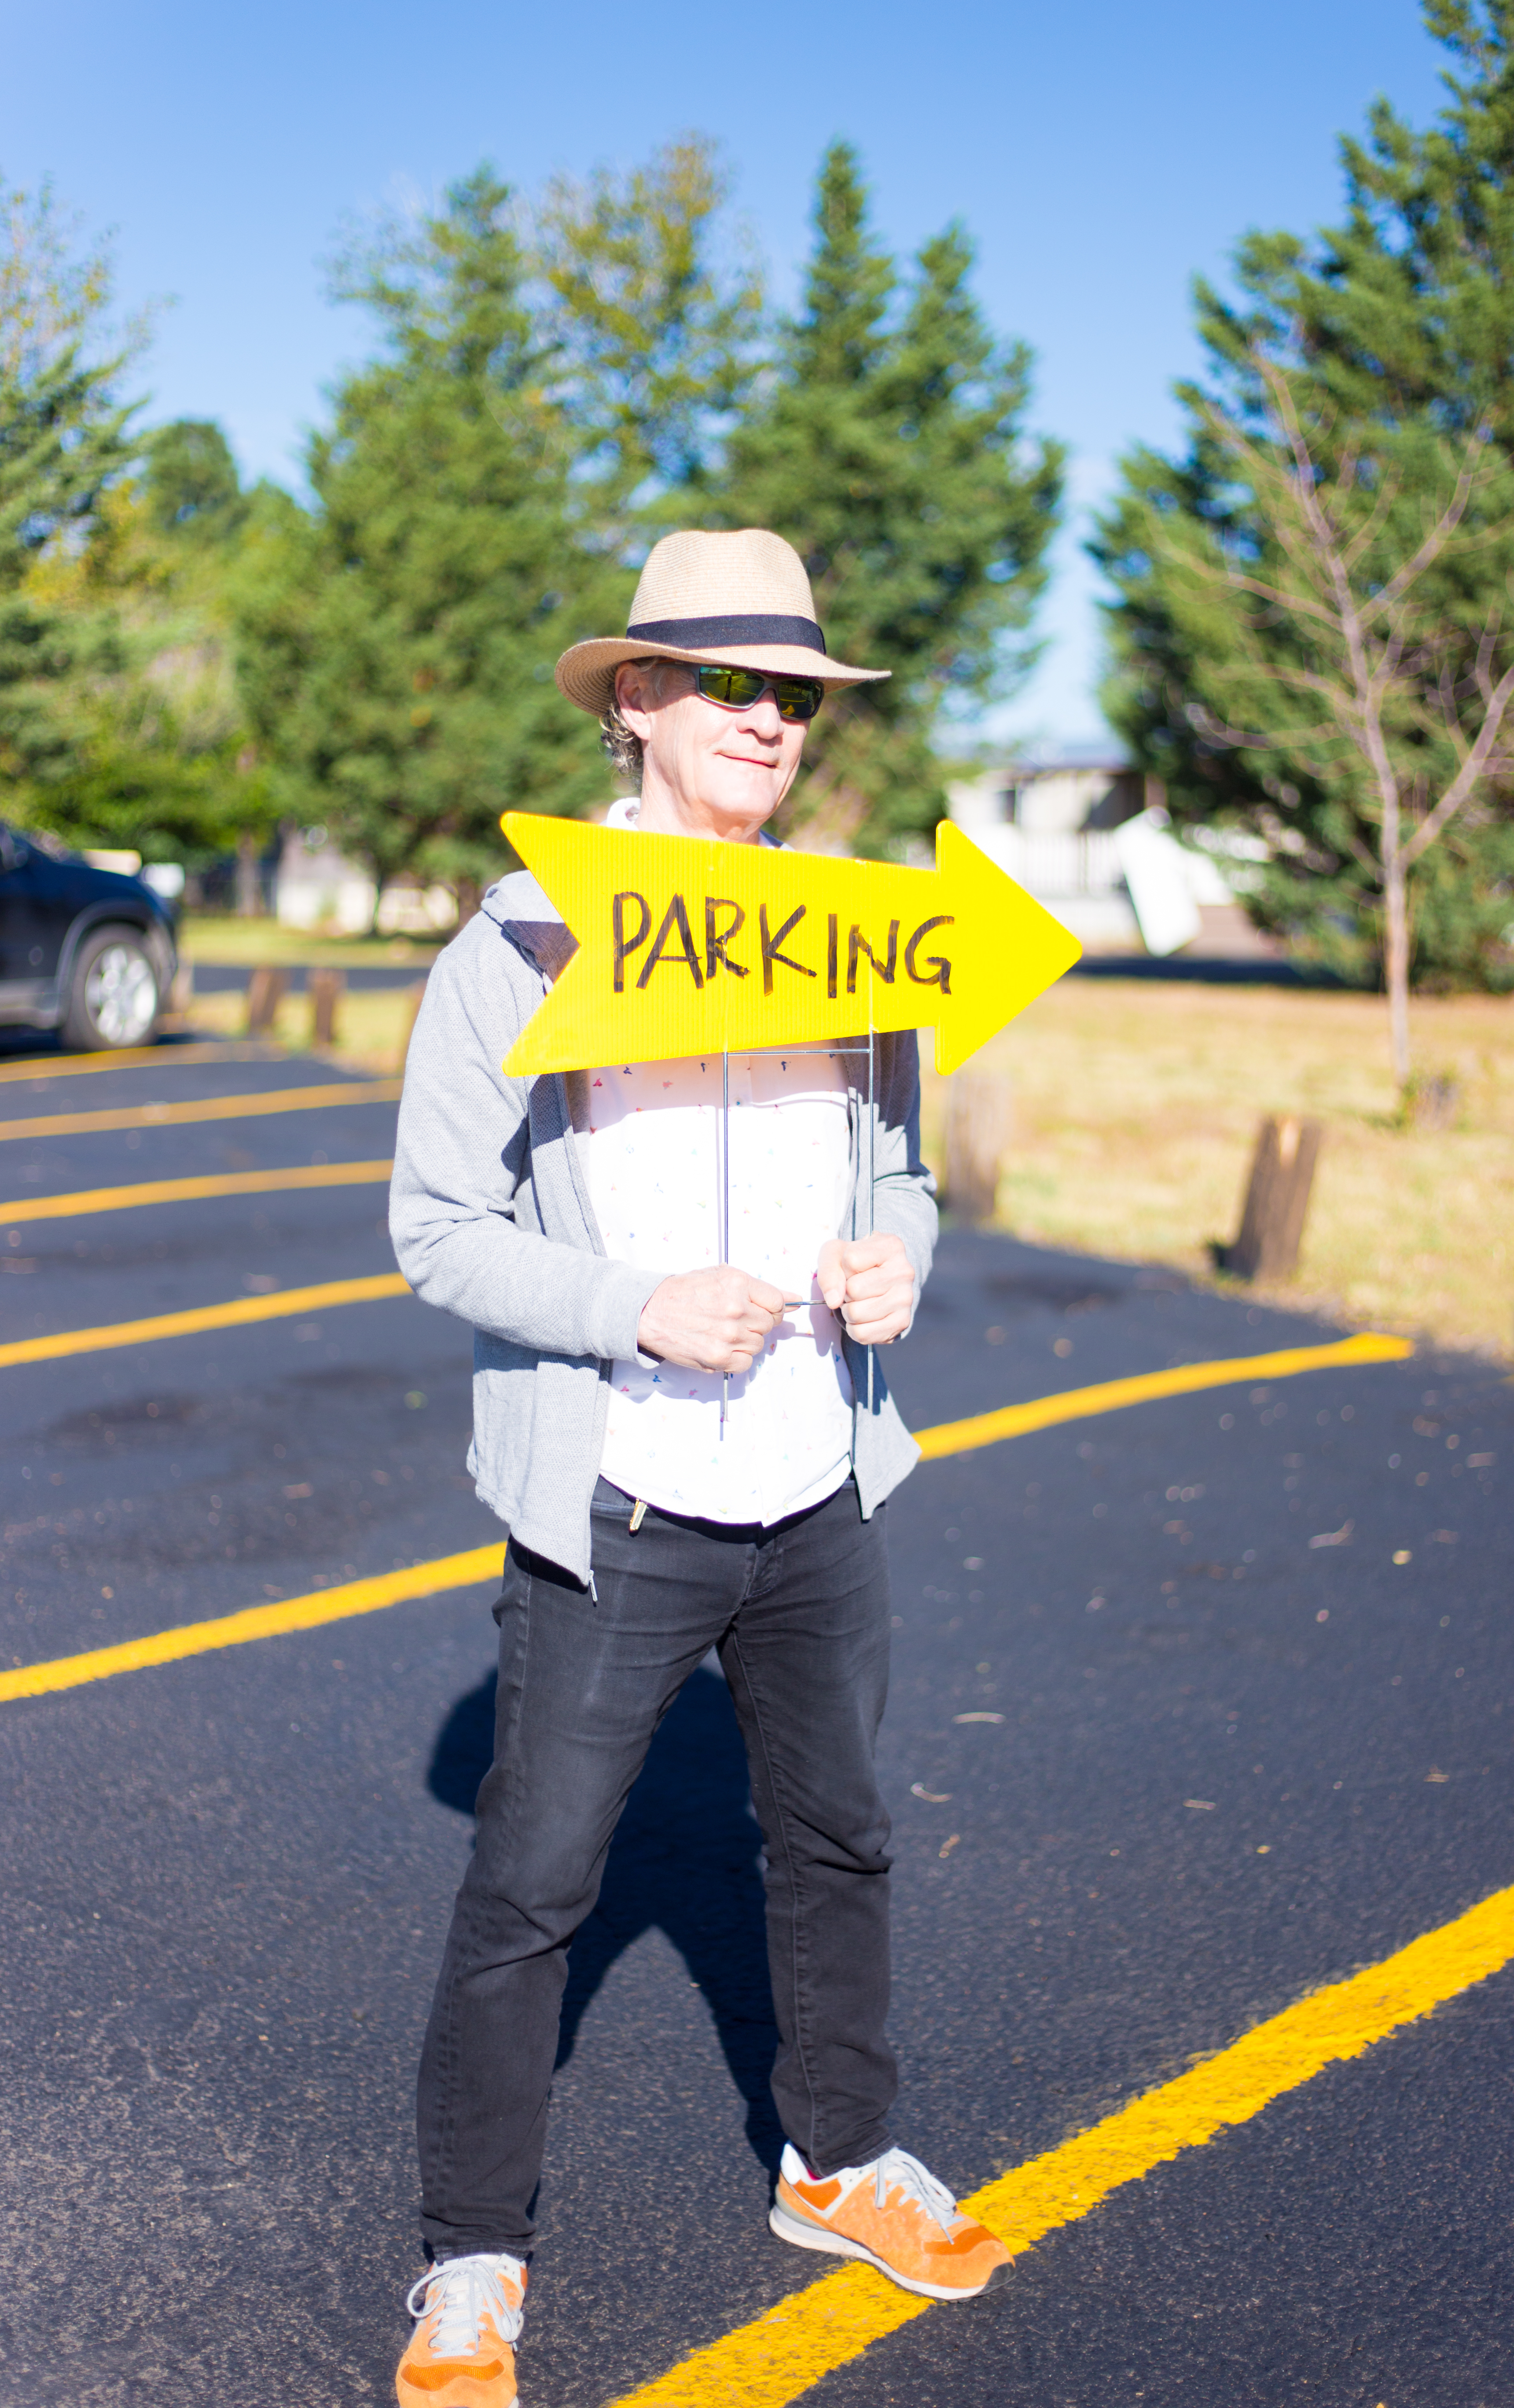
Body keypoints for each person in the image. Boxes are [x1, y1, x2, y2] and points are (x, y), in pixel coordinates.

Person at [388, 528, 1010, 2408]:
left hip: (817, 1488)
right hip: (620, 1497)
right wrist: (631, 1306)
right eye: (729, 682)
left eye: (795, 692)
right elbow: (434, 1226)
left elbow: (891, 1166)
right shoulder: (516, 941)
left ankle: (836, 2168)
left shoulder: (857, 935)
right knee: (532, 1889)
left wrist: (898, 1253)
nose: (769, 717)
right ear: (636, 702)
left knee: (837, 1844)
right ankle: (470, 2265)